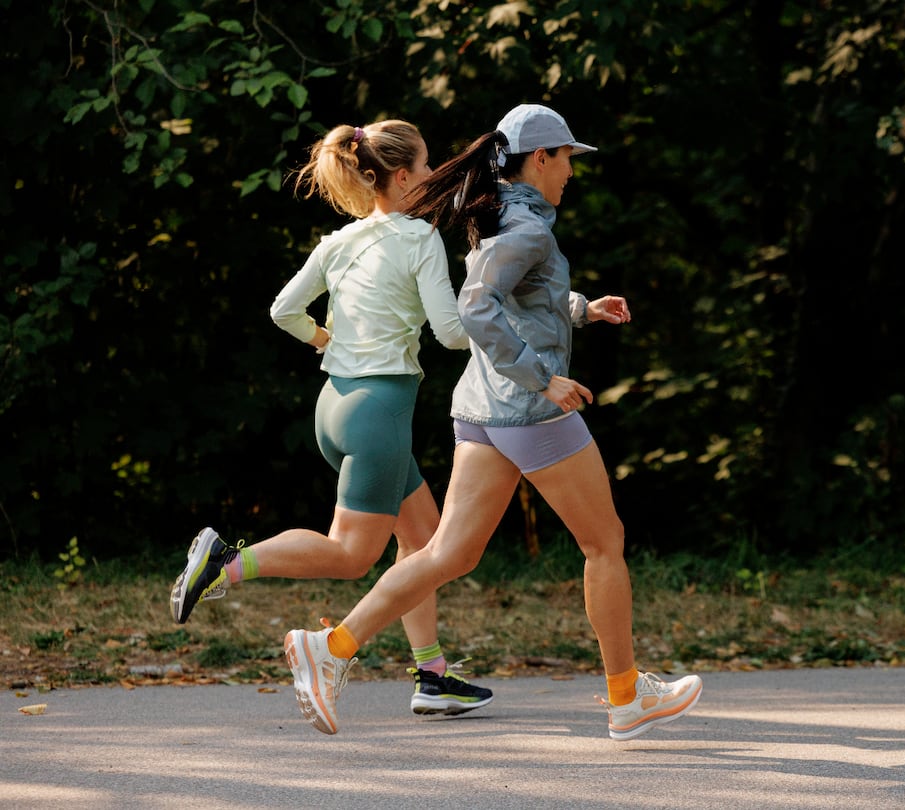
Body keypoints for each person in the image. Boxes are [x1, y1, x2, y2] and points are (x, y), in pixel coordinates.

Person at [281, 103, 702, 739]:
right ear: (541, 158)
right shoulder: (526, 227)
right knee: (604, 542)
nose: (570, 172)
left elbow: (513, 298)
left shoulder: (501, 212)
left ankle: (332, 648)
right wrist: (544, 376)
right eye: (566, 159)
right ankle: (625, 695)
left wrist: (582, 309)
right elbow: (478, 308)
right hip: (529, 409)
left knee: (449, 551)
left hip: (480, 408)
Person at [169, 119, 495, 718]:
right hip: (379, 414)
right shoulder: (420, 239)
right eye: (425, 166)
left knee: (420, 537)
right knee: (351, 554)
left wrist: (324, 337)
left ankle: (432, 674)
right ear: (401, 176)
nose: (430, 175)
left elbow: (282, 310)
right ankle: (227, 565)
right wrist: (504, 329)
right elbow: (450, 333)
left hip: (335, 406)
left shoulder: (338, 242)